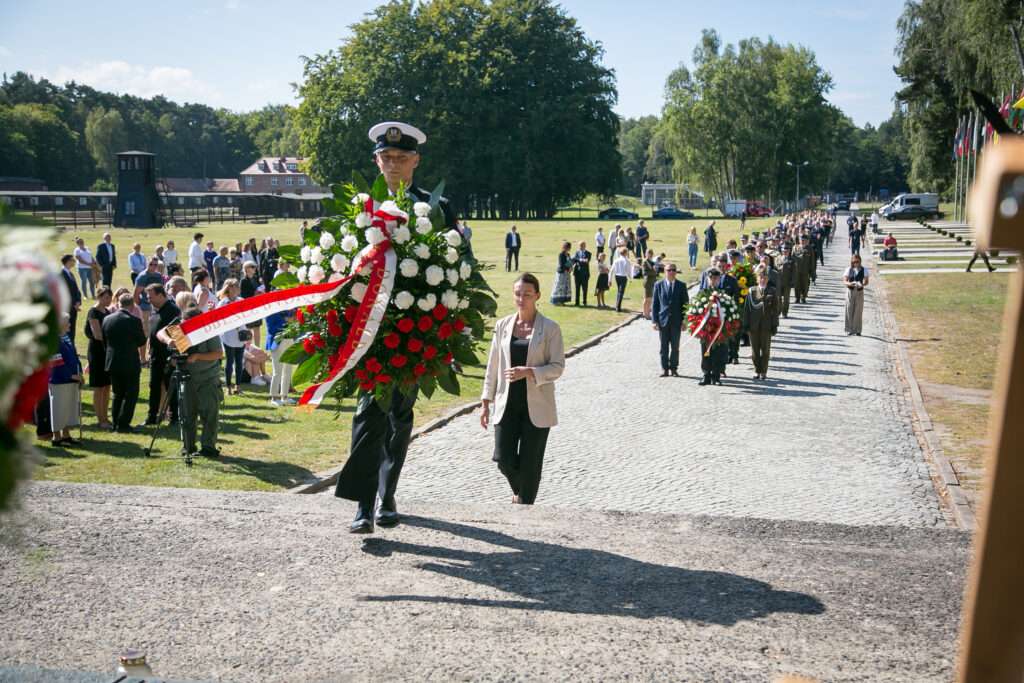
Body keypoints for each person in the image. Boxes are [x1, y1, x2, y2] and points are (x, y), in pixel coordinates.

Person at [335, 120, 457, 533]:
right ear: (376, 160)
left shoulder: (435, 207)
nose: (393, 164)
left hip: (415, 331)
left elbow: (460, 267)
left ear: (415, 160)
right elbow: (339, 262)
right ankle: (363, 505)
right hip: (367, 330)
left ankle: (388, 495)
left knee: (399, 417)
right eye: (386, 158)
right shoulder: (360, 208)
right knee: (368, 412)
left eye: (401, 158)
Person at [481, 273, 565, 505]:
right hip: (506, 403)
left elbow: (558, 367)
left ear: (537, 296)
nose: (522, 298)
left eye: (527, 294)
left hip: (537, 406)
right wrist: (485, 399)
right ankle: (522, 492)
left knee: (530, 463)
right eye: (518, 294)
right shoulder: (503, 326)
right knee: (503, 458)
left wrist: (529, 371)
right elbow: (493, 364)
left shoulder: (550, 328)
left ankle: (525, 506)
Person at [157, 306, 224, 459]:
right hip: (186, 376)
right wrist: (170, 341)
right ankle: (187, 445)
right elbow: (160, 333)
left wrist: (197, 356)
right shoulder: (180, 328)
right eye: (184, 324)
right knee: (186, 413)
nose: (186, 328)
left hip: (207, 377)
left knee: (209, 413)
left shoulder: (207, 329)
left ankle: (208, 447)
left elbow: (218, 353)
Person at [102, 293, 146, 433]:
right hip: (129, 361)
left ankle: (115, 422)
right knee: (131, 392)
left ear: (118, 303)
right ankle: (123, 423)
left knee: (117, 393)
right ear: (132, 305)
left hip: (112, 360)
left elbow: (104, 340)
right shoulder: (133, 321)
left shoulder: (107, 319)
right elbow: (141, 341)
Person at [141, 284, 180, 427]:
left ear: (161, 295)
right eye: (147, 297)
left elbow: (178, 335)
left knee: (171, 386)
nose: (148, 299)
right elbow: (152, 332)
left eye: (151, 296)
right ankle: (152, 416)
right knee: (154, 385)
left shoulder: (172, 310)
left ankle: (174, 417)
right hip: (155, 356)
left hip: (169, 357)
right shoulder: (155, 309)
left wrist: (175, 356)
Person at [47, 313, 84, 447]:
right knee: (58, 409)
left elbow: (74, 356)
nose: (69, 325)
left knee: (68, 408)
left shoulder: (66, 338)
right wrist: (72, 375)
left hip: (71, 380)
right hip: (59, 380)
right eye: (67, 322)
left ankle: (66, 435)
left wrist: (79, 373)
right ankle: (56, 437)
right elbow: (56, 362)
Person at [651, 262, 689, 377]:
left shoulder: (681, 285)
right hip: (663, 321)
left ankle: (673, 368)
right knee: (663, 347)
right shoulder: (658, 285)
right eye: (669, 270)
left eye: (673, 270)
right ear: (664, 272)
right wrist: (654, 321)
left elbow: (686, 304)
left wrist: (685, 321)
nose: (671, 272)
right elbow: (655, 304)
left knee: (675, 346)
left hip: (676, 322)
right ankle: (664, 368)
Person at [85, 286, 114, 430]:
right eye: (106, 297)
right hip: (97, 352)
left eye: (110, 297)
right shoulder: (93, 312)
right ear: (99, 297)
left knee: (107, 386)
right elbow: (97, 334)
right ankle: (100, 418)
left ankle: (106, 417)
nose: (108, 301)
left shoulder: (107, 311)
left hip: (107, 352)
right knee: (99, 387)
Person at [744, 265, 778, 380]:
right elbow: (747, 309)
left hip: (766, 325)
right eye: (760, 278)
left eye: (765, 278)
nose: (762, 280)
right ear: (757, 279)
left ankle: (763, 371)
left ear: (768, 279)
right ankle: (756, 371)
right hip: (753, 325)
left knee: (765, 349)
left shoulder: (772, 291)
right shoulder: (752, 291)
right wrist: (746, 323)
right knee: (755, 349)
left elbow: (776, 309)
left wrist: (774, 325)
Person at [216, 278, 247, 396]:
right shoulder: (223, 303)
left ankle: (237, 386)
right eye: (236, 286)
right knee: (230, 360)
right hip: (229, 334)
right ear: (229, 288)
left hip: (241, 333)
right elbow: (219, 319)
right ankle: (228, 386)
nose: (238, 288)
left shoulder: (241, 300)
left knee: (239, 361)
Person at [697, 267, 727, 386]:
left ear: (718, 279)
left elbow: (727, 310)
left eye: (715, 278)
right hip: (705, 329)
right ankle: (706, 375)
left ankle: (716, 376)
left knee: (718, 352)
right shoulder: (702, 293)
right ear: (707, 279)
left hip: (718, 329)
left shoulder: (722, 293)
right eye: (711, 278)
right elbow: (696, 310)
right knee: (705, 351)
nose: (713, 280)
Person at [266, 309, 297, 406]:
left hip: (289, 341)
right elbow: (271, 330)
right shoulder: (270, 313)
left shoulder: (287, 311)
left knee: (288, 371)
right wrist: (285, 321)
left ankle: (285, 396)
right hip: (277, 343)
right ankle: (274, 398)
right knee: (277, 371)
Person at [240, 262, 264, 347]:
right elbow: (243, 295)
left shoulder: (256, 278)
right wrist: (254, 294)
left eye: (255, 267)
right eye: (252, 267)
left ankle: (257, 347)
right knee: (248, 328)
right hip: (248, 307)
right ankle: (247, 347)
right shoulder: (243, 281)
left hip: (257, 306)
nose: (255, 268)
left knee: (257, 328)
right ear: (247, 269)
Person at [59, 254, 82, 343]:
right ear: (67, 261)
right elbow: (63, 293)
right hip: (66, 308)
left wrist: (78, 302)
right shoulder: (61, 275)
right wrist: (73, 304)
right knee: (66, 329)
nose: (74, 262)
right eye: (72, 260)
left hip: (73, 307)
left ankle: (72, 348)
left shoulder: (71, 274)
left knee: (72, 330)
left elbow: (76, 289)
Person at [843, 254, 869, 335]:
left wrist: (862, 285)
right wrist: (850, 284)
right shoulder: (848, 269)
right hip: (850, 290)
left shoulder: (864, 270)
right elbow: (845, 281)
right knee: (849, 309)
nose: (855, 264)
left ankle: (857, 330)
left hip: (859, 290)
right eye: (854, 262)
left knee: (858, 310)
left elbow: (866, 282)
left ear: (860, 261)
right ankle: (848, 329)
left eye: (857, 262)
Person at [550, 241, 573, 306]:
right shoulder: (561, 254)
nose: (570, 249)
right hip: (561, 273)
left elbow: (570, 262)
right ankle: (557, 301)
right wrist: (568, 269)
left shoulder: (568, 255)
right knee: (559, 287)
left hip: (567, 273)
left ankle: (562, 300)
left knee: (565, 287)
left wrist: (571, 268)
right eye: (569, 247)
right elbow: (561, 264)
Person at [610, 246, 632, 313]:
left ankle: (617, 305)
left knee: (619, 291)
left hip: (617, 276)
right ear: (625, 253)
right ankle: (618, 306)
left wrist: (609, 279)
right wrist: (630, 278)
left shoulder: (616, 260)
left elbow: (612, 270)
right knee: (621, 291)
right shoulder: (626, 260)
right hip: (623, 277)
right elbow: (628, 270)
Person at [572, 240, 591, 306]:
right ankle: (577, 302)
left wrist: (579, 259)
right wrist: (582, 260)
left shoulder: (588, 253)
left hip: (585, 274)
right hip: (577, 273)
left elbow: (587, 261)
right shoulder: (577, 253)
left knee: (584, 288)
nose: (581, 246)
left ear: (585, 246)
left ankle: (584, 302)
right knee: (577, 288)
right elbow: (574, 259)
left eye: (582, 245)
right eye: (580, 245)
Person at [641, 249, 659, 319]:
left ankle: (648, 312)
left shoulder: (652, 262)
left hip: (652, 281)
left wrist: (654, 270)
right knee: (646, 298)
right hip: (648, 281)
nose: (650, 255)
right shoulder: (645, 262)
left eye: (651, 254)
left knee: (650, 298)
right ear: (646, 254)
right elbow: (645, 273)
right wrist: (654, 271)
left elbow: (655, 270)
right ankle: (645, 313)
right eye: (649, 253)